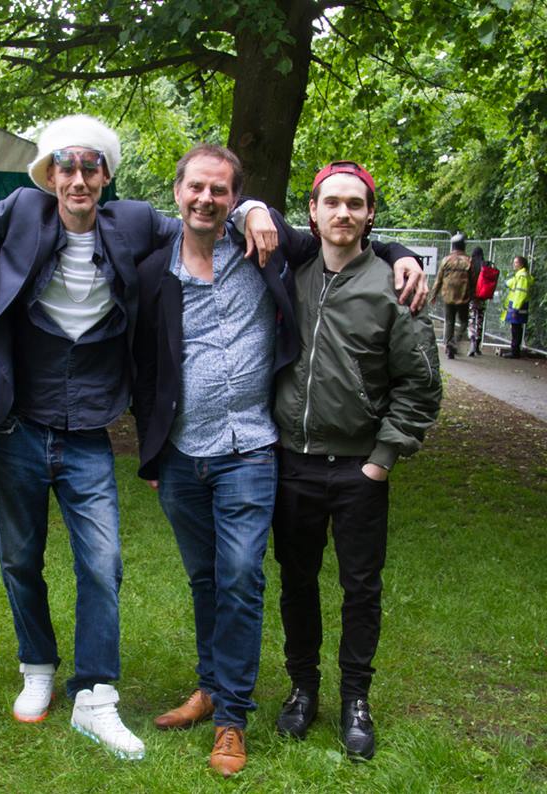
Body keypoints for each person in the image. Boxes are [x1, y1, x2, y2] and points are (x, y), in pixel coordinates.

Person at [0, 121, 425, 761]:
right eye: (67, 167)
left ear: (108, 176)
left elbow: (323, 233)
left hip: (177, 440)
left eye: (92, 168)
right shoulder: (72, 230)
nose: (79, 179)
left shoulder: (203, 236)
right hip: (83, 433)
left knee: (177, 571)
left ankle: (165, 704)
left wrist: (394, 250)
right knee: (76, 566)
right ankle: (80, 672)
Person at [131, 149, 426, 776]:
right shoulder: (153, 268)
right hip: (183, 453)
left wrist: (404, 254)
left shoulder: (265, 250)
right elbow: (144, 361)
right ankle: (211, 687)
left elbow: (349, 237)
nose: (206, 199)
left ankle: (233, 719)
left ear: (236, 199)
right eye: (196, 187)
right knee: (206, 578)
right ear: (177, 192)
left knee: (241, 575)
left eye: (221, 191)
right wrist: (151, 448)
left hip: (252, 449)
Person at [271, 161, 441, 762]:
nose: (343, 213)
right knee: (296, 582)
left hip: (359, 468)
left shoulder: (395, 286)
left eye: (355, 204)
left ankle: (355, 699)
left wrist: (382, 459)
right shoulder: (289, 276)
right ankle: (303, 688)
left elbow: (420, 384)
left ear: (370, 216)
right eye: (332, 202)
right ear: (313, 212)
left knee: (360, 587)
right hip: (292, 463)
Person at [428, 232, 472, 359]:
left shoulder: (446, 260)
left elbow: (438, 280)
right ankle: (455, 342)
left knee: (449, 322)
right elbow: (473, 280)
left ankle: (448, 347)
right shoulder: (468, 261)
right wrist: (474, 295)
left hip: (448, 296)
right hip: (463, 297)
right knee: (464, 322)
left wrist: (433, 295)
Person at [500, 255, 533, 358]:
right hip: (517, 305)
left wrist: (515, 309)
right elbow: (512, 283)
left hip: (517, 306)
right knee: (516, 329)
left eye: (516, 262)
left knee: (516, 329)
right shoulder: (520, 275)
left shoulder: (522, 276)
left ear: (521, 264)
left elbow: (520, 294)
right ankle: (515, 351)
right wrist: (506, 283)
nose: (514, 264)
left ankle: (515, 352)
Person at [467, 246, 498, 356]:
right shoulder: (486, 264)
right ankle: (477, 345)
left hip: (472, 296)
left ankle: (472, 340)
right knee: (480, 320)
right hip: (483, 296)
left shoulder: (470, 264)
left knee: (471, 319)